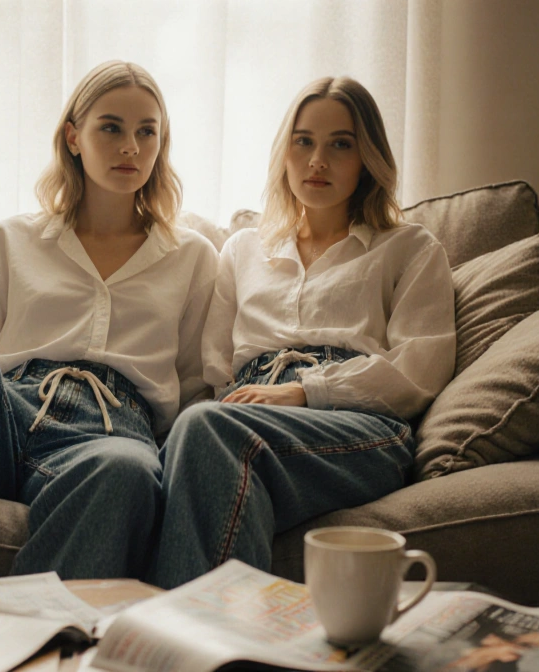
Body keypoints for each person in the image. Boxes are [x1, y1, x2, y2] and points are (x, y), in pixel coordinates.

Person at [0, 60, 218, 583]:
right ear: (74, 137)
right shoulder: (10, 240)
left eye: (146, 132)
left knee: (128, 471)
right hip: (3, 417)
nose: (130, 146)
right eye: (111, 127)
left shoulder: (193, 256)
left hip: (107, 436)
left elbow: (197, 387)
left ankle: (27, 640)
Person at [149, 76, 456, 589]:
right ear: (284, 153)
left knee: (209, 430)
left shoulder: (409, 248)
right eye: (304, 141)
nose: (318, 160)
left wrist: (304, 390)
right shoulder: (243, 250)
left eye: (341, 144)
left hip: (358, 426)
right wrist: (241, 407)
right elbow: (215, 366)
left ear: (367, 159)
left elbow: (420, 370)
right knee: (196, 435)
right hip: (249, 416)